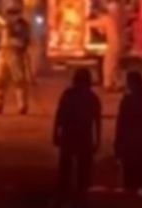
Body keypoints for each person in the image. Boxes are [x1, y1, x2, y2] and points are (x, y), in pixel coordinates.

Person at [53, 68, 102, 207]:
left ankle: (65, 197)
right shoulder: (92, 97)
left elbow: (59, 116)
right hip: (82, 137)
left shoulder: (69, 95)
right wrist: (97, 139)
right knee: (81, 170)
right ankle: (78, 197)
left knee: (67, 169)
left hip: (71, 136)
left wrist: (56, 133)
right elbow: (97, 121)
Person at [114, 70, 142, 196]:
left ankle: (132, 195)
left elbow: (121, 124)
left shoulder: (128, 101)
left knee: (130, 177)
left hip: (131, 143)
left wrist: (118, 143)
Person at [0, 2, 31, 114]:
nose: (10, 15)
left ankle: (22, 106)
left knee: (19, 80)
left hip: (15, 53)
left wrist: (7, 28)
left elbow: (22, 40)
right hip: (3, 52)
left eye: (13, 13)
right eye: (9, 13)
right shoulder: (5, 24)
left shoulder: (22, 25)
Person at [87, 1, 122, 91]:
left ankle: (108, 85)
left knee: (108, 65)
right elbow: (102, 31)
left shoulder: (107, 19)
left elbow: (93, 24)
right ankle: (116, 83)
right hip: (116, 44)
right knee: (114, 65)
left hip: (114, 44)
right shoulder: (112, 19)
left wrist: (85, 20)